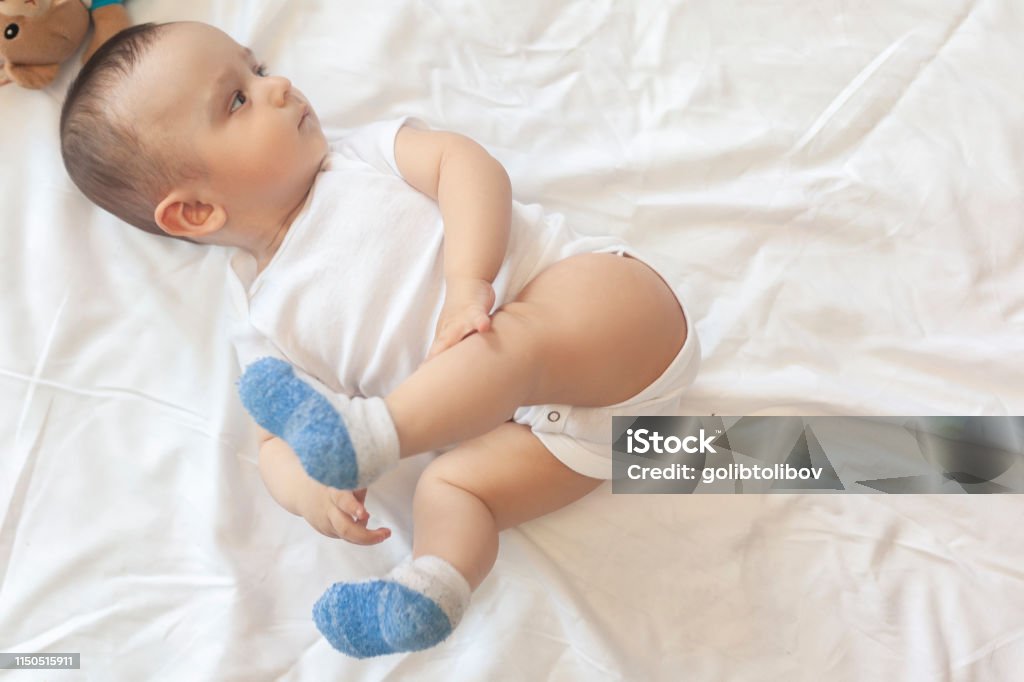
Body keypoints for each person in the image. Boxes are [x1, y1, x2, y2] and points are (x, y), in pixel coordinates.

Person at [59, 20, 701, 658]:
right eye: (238, 99)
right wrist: (312, 491)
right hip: (578, 444)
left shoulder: (359, 156)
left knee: (512, 344)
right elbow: (273, 438)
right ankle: (430, 589)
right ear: (196, 211)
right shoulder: (259, 315)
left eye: (256, 71)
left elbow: (468, 167)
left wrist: (468, 279)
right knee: (448, 489)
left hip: (605, 311)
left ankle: (380, 434)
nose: (278, 85)